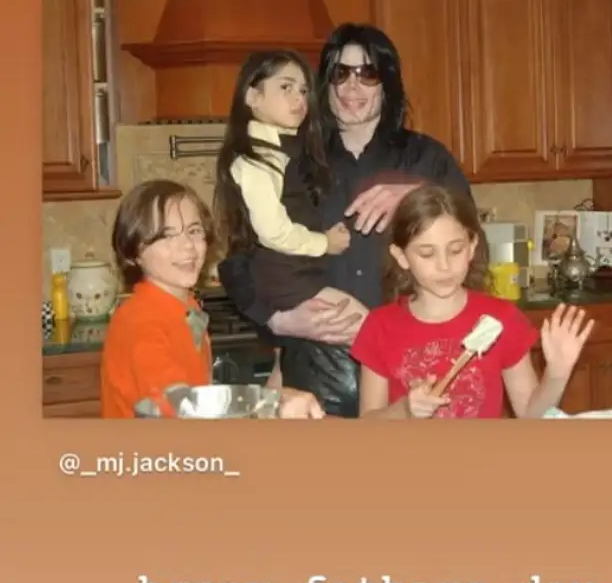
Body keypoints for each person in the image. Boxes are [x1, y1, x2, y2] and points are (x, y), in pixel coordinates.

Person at [219, 24, 472, 416]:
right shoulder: (289, 159)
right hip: (316, 373)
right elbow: (239, 258)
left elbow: (471, 237)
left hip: (411, 371)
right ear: (325, 84)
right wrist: (278, 319)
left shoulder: (427, 158)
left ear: (386, 83)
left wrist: (416, 194)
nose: (352, 86)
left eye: (367, 73)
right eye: (341, 73)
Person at [351, 184, 594, 419]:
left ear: (471, 247)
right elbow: (368, 426)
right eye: (427, 253)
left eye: (455, 250)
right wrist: (405, 410)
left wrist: (556, 375)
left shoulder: (503, 318)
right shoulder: (379, 326)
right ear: (401, 256)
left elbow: (532, 417)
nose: (444, 266)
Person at [101, 179, 325, 419]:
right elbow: (179, 405)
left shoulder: (184, 306)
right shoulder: (140, 322)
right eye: (166, 236)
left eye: (194, 231)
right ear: (134, 252)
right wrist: (270, 404)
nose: (187, 246)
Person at [213, 50, 365, 335]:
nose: (299, 98)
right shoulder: (258, 158)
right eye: (286, 87)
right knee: (371, 333)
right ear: (253, 97)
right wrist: (325, 243)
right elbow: (272, 231)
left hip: (296, 275)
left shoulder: (286, 150)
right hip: (287, 278)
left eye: (304, 90)